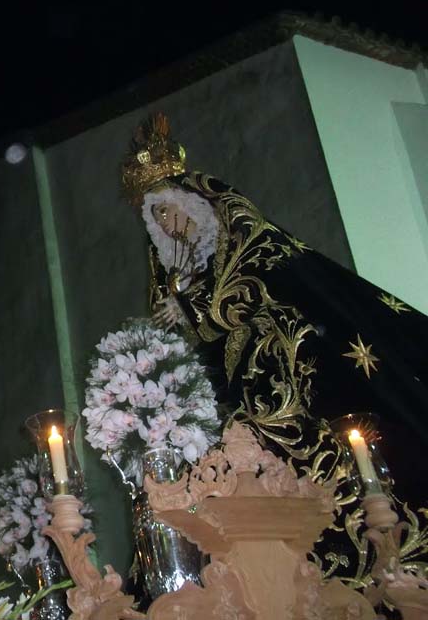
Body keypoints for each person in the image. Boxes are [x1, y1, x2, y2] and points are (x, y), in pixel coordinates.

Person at [121, 114, 428, 577]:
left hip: (285, 373)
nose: (163, 223)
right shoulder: (179, 278)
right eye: (154, 217)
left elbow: (260, 289)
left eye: (167, 208)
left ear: (194, 200)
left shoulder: (255, 245)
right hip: (227, 402)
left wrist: (196, 309)